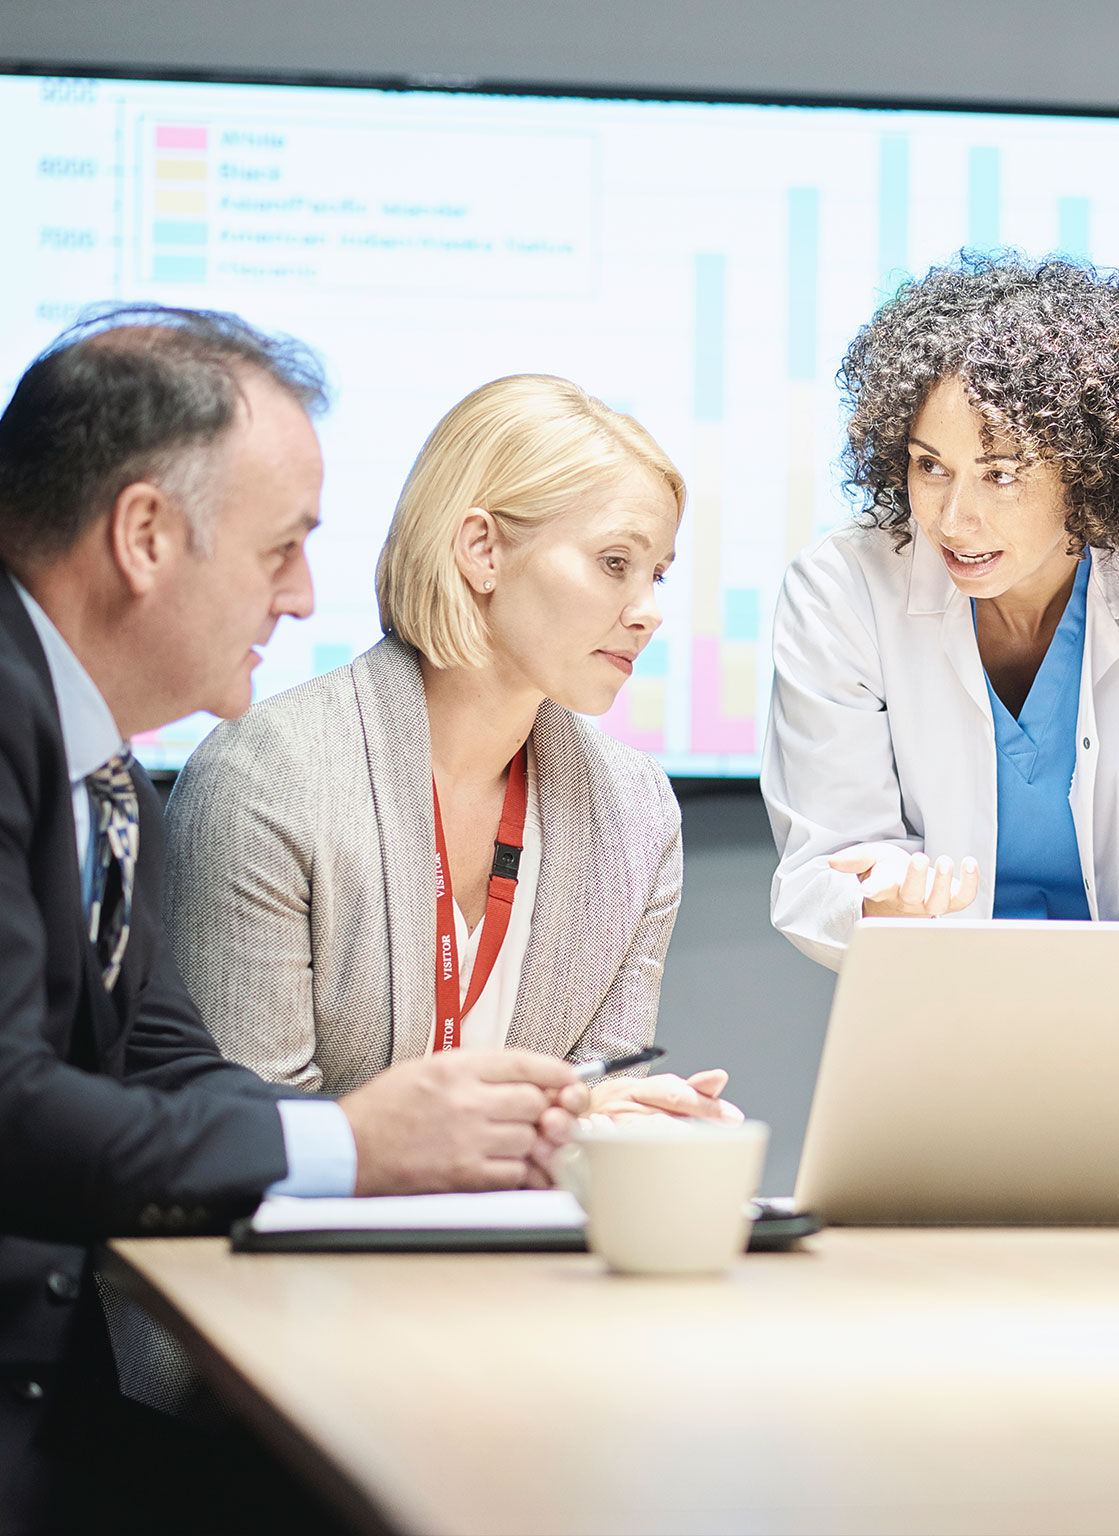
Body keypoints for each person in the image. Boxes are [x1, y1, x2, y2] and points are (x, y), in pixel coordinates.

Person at [0, 309, 589, 1530]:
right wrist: (354, 1150)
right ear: (146, 536)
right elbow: (11, 1113)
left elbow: (169, 1072)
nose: (305, 593)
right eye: (282, 548)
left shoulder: (101, 769)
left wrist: (443, 1140)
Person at [163, 374, 737, 1124]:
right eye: (614, 563)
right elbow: (245, 1136)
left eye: (656, 574)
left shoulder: (637, 811)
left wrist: (620, 1123)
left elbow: (591, 1094)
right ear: (481, 549)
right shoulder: (267, 776)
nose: (649, 612)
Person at [763, 254, 1119, 968]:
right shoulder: (844, 588)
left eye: (1001, 474)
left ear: (1090, 470)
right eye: (930, 467)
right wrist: (877, 899)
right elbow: (820, 867)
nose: (955, 518)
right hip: (944, 999)